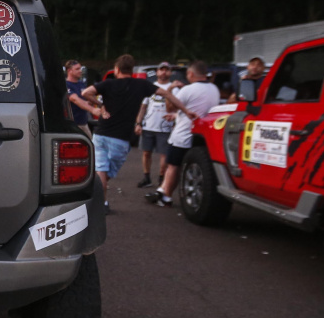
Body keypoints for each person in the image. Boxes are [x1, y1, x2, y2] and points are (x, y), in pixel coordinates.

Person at [82, 54, 198, 214]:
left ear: (116, 69)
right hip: (121, 139)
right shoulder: (141, 85)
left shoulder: (108, 83)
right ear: (132, 70)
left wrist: (101, 105)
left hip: (100, 134)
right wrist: (186, 110)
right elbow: (168, 95)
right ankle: (102, 204)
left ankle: (100, 201)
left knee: (101, 171)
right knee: (104, 172)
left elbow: (86, 93)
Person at [146, 61, 221, 207]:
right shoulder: (214, 89)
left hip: (183, 134)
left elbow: (169, 107)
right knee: (187, 167)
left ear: (191, 74)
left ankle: (166, 197)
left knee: (174, 165)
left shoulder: (188, 90)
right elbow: (199, 109)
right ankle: (162, 190)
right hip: (202, 136)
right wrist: (176, 116)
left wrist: (171, 90)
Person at [134, 62, 177, 187]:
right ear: (157, 72)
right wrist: (138, 123)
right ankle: (146, 177)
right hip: (148, 125)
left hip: (165, 127)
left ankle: (161, 177)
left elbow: (178, 107)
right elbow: (143, 107)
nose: (164, 72)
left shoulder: (174, 88)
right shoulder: (150, 87)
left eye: (167, 70)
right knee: (146, 153)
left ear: (170, 73)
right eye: (161, 70)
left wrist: (175, 122)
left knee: (164, 154)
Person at [65, 60, 102, 136]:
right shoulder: (66, 85)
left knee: (91, 145)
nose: (80, 71)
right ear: (69, 71)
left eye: (80, 69)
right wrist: (93, 110)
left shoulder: (81, 84)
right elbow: (75, 99)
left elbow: (87, 98)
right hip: (73, 125)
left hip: (83, 123)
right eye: (77, 69)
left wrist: (100, 104)